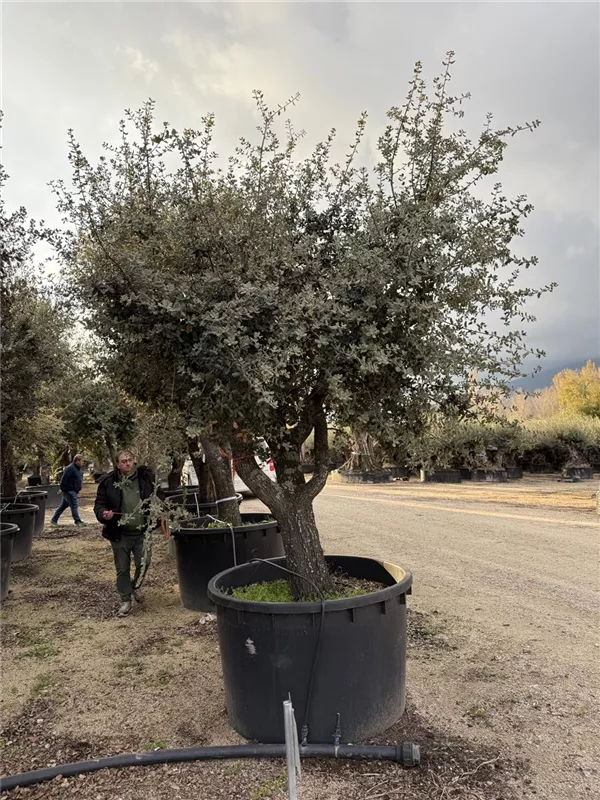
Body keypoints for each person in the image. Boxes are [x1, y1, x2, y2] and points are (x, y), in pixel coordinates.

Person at [94, 450, 155, 617]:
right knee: (122, 568)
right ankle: (125, 600)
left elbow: (158, 495)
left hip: (142, 532)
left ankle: (135, 586)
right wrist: (104, 514)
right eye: (124, 461)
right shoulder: (108, 482)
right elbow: (99, 504)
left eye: (130, 460)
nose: (128, 463)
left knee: (145, 562)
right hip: (119, 534)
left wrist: (161, 510)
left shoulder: (145, 477)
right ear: (118, 464)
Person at [50, 455, 87, 527]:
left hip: (73, 490)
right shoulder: (70, 468)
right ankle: (77, 521)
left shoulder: (77, 468)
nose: (83, 463)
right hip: (69, 490)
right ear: (77, 461)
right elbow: (64, 479)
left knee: (63, 506)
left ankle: (53, 520)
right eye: (82, 461)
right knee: (74, 505)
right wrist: (62, 488)